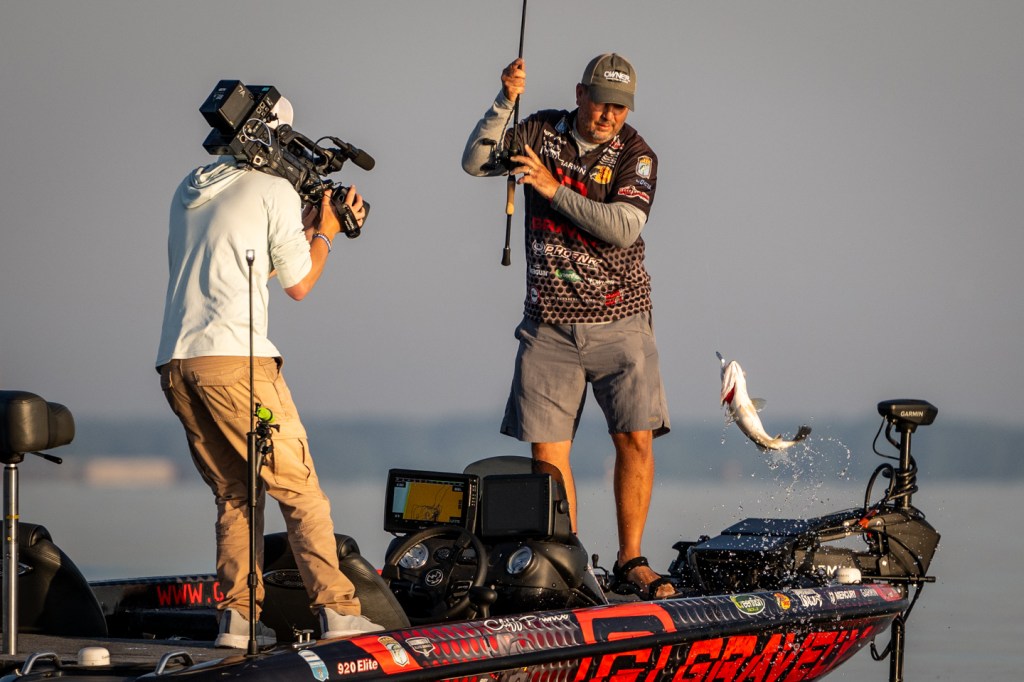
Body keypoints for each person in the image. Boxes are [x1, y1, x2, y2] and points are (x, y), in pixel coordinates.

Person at [156, 95, 383, 647]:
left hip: (178, 364)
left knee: (236, 493)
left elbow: (250, 261)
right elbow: (300, 284)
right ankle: (338, 613)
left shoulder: (191, 187)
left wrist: (304, 225)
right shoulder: (273, 190)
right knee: (300, 491)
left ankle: (237, 622)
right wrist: (326, 230)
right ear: (274, 139)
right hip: (239, 364)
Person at [462, 54, 676, 600]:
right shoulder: (538, 131)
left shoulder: (637, 155)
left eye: (620, 108)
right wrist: (504, 101)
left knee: (635, 439)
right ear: (581, 94)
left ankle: (631, 561)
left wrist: (552, 188)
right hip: (548, 325)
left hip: (620, 318)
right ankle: (572, 569)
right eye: (602, 103)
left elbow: (624, 228)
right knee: (548, 456)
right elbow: (475, 161)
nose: (609, 116)